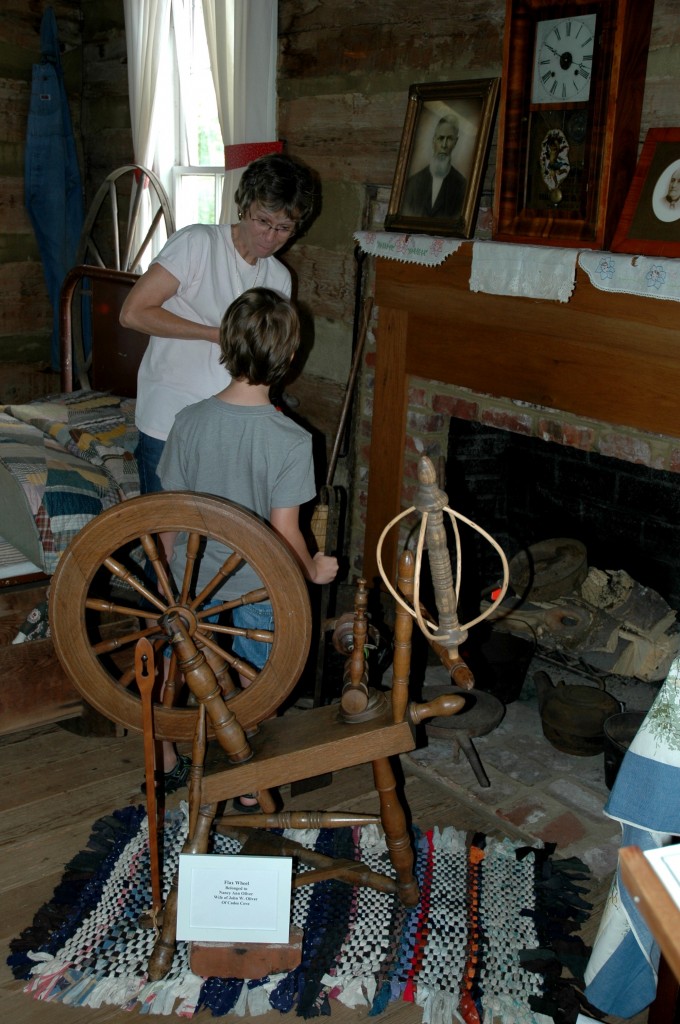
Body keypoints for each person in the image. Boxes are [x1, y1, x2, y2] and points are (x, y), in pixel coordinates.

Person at [154, 288, 339, 797]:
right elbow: (284, 532)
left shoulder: (188, 421)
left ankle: (164, 755)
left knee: (182, 658)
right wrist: (313, 570)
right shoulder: (292, 440)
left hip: (195, 583)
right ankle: (248, 759)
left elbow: (168, 511)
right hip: (257, 583)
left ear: (226, 346)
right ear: (290, 357)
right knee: (266, 677)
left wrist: (168, 576)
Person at [119, 152, 316, 494]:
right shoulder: (198, 243)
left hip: (228, 427)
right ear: (244, 206)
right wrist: (215, 334)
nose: (270, 237)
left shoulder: (278, 278)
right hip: (169, 417)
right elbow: (133, 313)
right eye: (263, 221)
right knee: (167, 530)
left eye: (284, 228)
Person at [402, 114, 467, 220]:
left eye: (449, 139)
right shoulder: (412, 183)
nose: (444, 145)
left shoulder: (462, 186)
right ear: (434, 140)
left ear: (456, 142)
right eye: (441, 138)